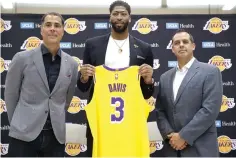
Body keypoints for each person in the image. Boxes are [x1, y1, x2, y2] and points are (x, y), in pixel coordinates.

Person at [77, 0, 154, 156]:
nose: (119, 17)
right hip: (102, 124)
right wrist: (84, 77)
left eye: (123, 14)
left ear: (130, 18)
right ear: (110, 17)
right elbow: (84, 87)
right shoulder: (93, 45)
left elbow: (146, 94)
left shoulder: (144, 48)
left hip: (130, 125)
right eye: (115, 14)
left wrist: (148, 81)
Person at [4, 12, 78, 157]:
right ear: (41, 30)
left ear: (63, 31)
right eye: (48, 25)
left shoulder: (72, 64)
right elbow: (11, 95)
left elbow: (67, 99)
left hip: (55, 137)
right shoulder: (21, 59)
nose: (52, 29)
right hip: (23, 135)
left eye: (57, 25)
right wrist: (18, 125)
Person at [155, 29, 223, 157]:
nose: (181, 45)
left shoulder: (210, 71)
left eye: (185, 42)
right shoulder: (165, 77)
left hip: (200, 149)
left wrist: (183, 136)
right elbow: (160, 110)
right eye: (176, 43)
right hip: (172, 149)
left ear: (193, 46)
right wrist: (171, 136)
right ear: (172, 49)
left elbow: (210, 110)